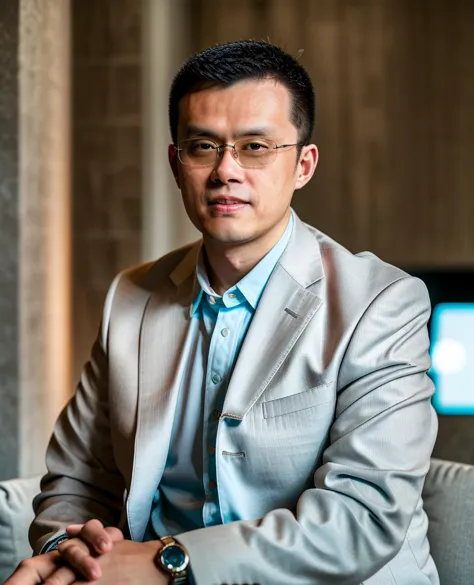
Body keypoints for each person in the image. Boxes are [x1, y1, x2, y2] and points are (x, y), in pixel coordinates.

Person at [5, 40, 439, 585]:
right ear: (174, 162)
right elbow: (76, 480)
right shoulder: (132, 296)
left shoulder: (380, 303)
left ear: (303, 165)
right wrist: (74, 552)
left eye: (255, 146)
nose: (225, 171)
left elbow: (362, 520)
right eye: (203, 146)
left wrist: (165, 564)